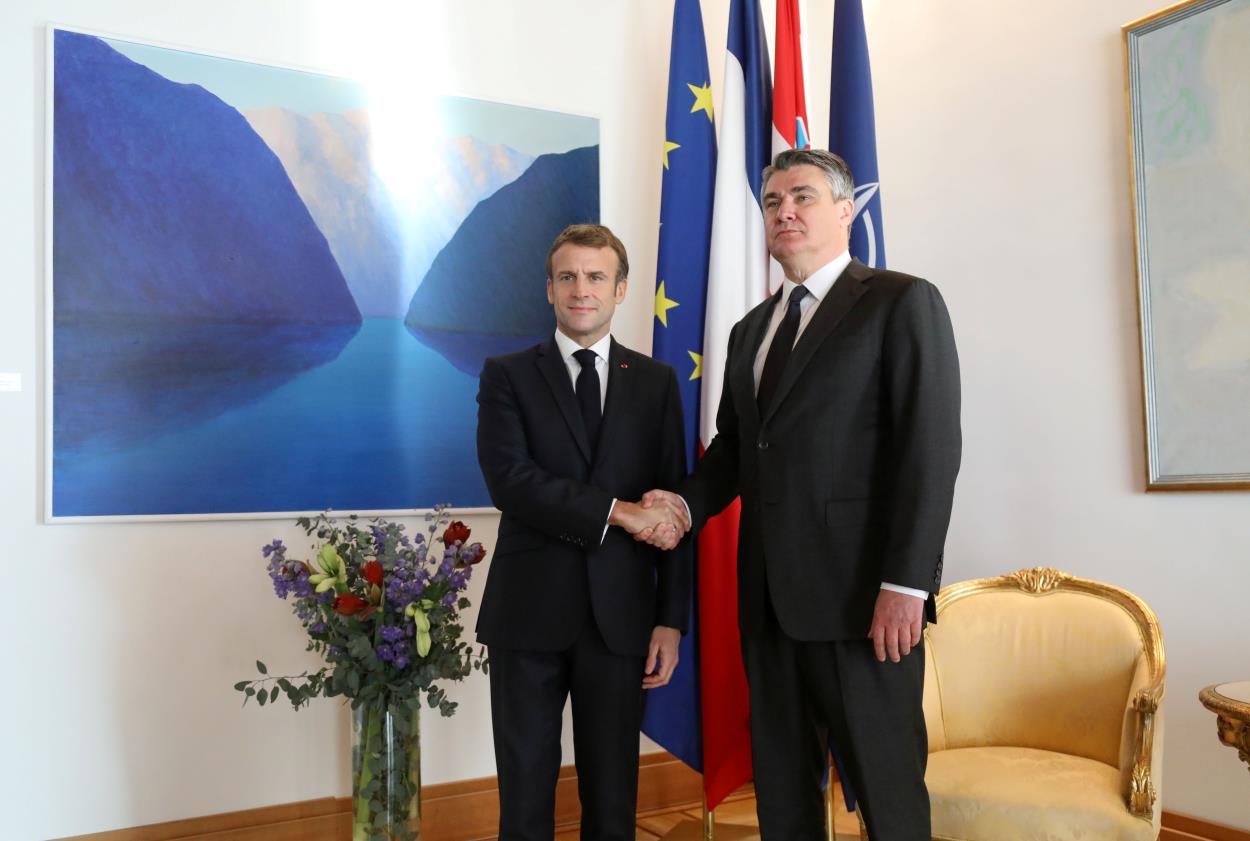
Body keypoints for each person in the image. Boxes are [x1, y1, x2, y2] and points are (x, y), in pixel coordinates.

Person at [641, 149, 961, 840]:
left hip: (864, 606)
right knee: (783, 798)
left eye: (803, 196)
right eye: (772, 200)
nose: (784, 210)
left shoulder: (901, 301)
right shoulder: (750, 331)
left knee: (887, 792)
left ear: (845, 210)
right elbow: (733, 450)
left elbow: (929, 451)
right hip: (767, 605)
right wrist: (684, 506)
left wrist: (906, 582)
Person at [475, 223, 692, 841]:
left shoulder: (655, 383)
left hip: (621, 618)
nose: (581, 289)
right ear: (549, 289)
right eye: (567, 276)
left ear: (621, 290)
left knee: (613, 797)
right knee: (523, 794)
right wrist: (620, 512)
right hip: (527, 614)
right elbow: (511, 482)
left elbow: (674, 505)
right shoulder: (507, 375)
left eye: (596, 277)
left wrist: (670, 621)